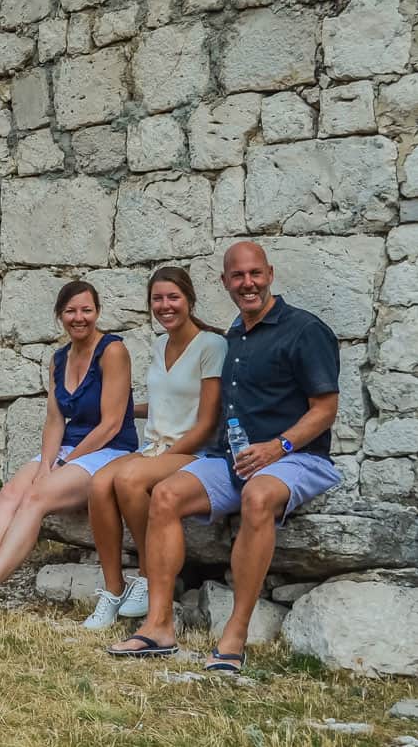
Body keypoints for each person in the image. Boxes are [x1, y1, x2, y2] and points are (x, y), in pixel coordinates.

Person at [108, 242, 341, 671]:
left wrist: (278, 447)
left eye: (254, 274)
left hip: (297, 457)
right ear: (224, 282)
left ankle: (235, 632)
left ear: (269, 273)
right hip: (232, 460)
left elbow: (326, 408)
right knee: (164, 495)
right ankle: (158, 626)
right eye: (237, 276)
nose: (247, 283)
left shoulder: (304, 330)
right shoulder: (231, 336)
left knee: (257, 498)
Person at [0, 280, 138, 612]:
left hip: (108, 450)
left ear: (97, 312)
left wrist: (64, 467)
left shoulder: (113, 351)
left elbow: (111, 423)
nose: (79, 317)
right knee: (12, 491)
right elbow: (55, 419)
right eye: (70, 311)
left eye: (86, 310)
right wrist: (45, 465)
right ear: (59, 316)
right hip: (70, 447)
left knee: (37, 497)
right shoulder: (59, 359)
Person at [81, 267, 227, 629]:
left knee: (129, 479)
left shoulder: (212, 346)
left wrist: (164, 457)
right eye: (157, 299)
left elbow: (207, 422)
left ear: (189, 300)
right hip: (156, 447)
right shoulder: (160, 344)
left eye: (173, 297)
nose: (165, 306)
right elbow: (164, 403)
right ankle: (114, 591)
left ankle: (149, 575)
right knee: (99, 483)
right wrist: (123, 410)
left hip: (195, 452)